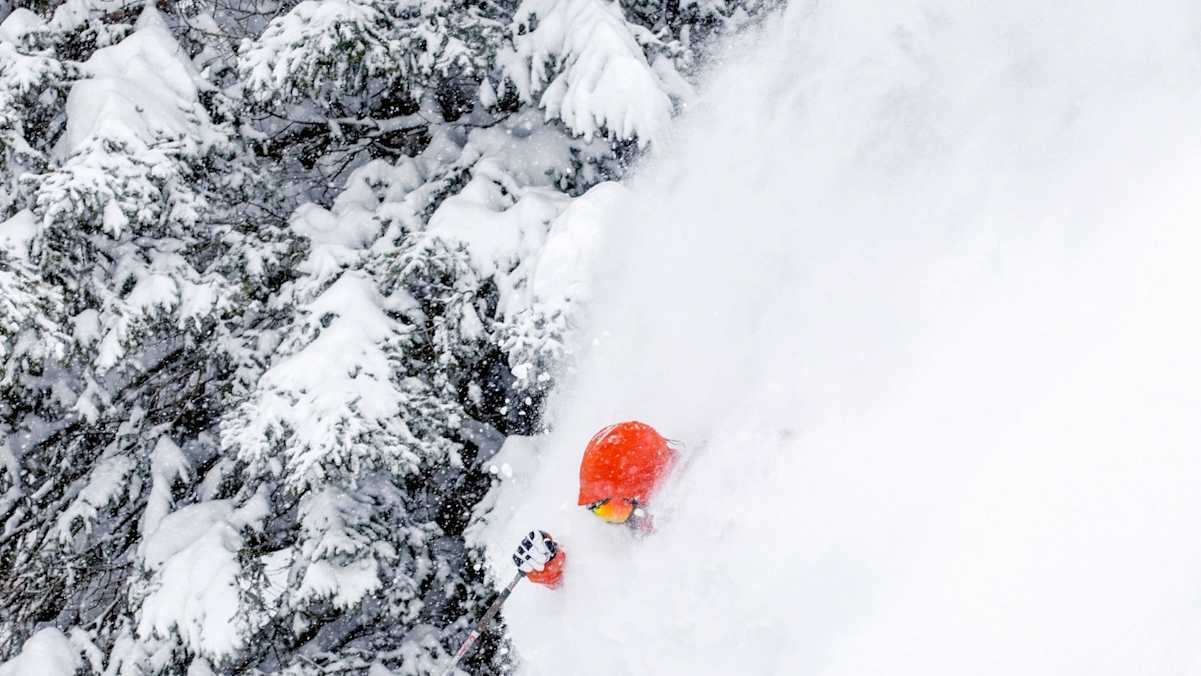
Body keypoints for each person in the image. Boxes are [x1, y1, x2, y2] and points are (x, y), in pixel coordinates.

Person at [511, 421, 678, 589]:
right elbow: (585, 573)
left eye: (616, 510)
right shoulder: (627, 531)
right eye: (601, 511)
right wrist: (548, 566)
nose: (612, 521)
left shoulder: (690, 515)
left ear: (646, 488)